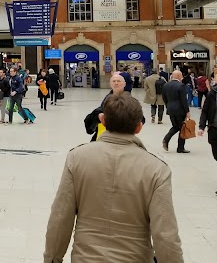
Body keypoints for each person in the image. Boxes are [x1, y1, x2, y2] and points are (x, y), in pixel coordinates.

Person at [44, 93, 184, 263]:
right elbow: (166, 235)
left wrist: (52, 258)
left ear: (102, 120)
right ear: (139, 127)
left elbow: (60, 217)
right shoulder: (157, 169)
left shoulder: (77, 158)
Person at [198, 68, 217, 196]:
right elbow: (205, 111)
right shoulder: (212, 94)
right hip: (214, 129)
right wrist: (201, 127)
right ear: (214, 80)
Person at [85, 73, 127, 141]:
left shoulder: (129, 99)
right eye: (114, 81)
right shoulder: (107, 98)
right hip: (105, 133)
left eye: (118, 81)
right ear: (110, 84)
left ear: (124, 84)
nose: (116, 83)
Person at [162, 70, 191, 153]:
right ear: (178, 76)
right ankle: (180, 148)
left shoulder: (166, 85)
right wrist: (187, 111)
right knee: (182, 128)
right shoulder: (181, 86)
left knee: (175, 126)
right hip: (180, 110)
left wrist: (168, 106)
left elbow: (164, 98)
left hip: (171, 109)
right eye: (181, 75)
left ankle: (166, 139)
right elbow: (183, 100)